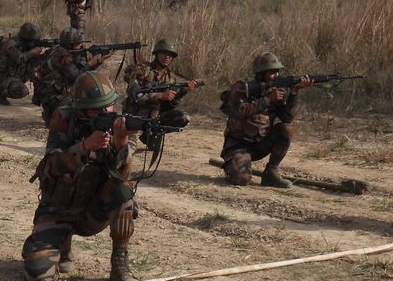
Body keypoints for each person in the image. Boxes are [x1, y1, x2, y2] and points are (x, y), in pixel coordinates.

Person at [21, 71, 141, 281]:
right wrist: (84, 147)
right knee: (38, 278)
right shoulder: (65, 120)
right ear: (82, 109)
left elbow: (121, 175)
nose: (105, 112)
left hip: (91, 213)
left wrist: (120, 141)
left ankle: (119, 264)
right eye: (97, 108)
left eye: (109, 106)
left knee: (123, 191)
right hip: (58, 210)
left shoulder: (122, 125)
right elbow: (51, 167)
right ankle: (61, 245)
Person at [219, 52, 313, 189]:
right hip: (238, 146)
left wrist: (294, 93)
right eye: (272, 72)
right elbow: (238, 111)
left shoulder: (275, 91)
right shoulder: (242, 89)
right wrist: (267, 99)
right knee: (242, 178)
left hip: (260, 144)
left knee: (286, 129)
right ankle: (234, 166)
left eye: (277, 72)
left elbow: (287, 118)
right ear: (260, 73)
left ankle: (271, 173)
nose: (276, 75)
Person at [123, 38, 200, 125]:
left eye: (170, 55)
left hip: (155, 118)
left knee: (183, 118)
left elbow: (169, 106)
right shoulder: (142, 70)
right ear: (157, 54)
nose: (167, 57)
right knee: (131, 138)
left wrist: (182, 92)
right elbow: (134, 96)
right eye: (164, 53)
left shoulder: (170, 78)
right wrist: (159, 95)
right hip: (136, 117)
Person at [0, 22, 46, 105]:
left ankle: (37, 98)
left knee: (39, 74)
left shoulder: (26, 46)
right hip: (4, 77)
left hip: (20, 74)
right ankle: (0, 93)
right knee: (22, 91)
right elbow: (19, 58)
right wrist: (33, 52)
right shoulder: (11, 43)